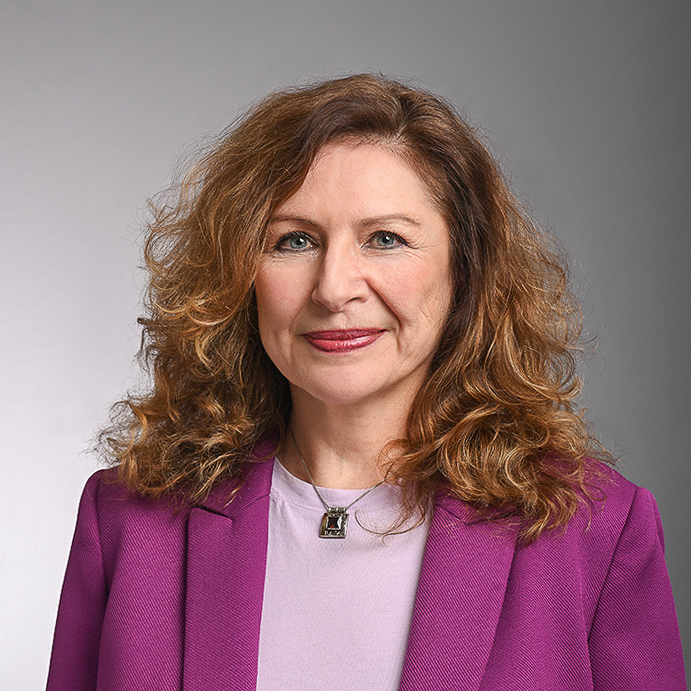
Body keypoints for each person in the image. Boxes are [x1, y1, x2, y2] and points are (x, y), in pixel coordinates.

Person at [46, 74, 686, 691]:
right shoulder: (127, 522)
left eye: (385, 238)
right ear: (238, 274)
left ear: (465, 273)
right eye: (294, 241)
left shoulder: (594, 531)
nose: (333, 289)